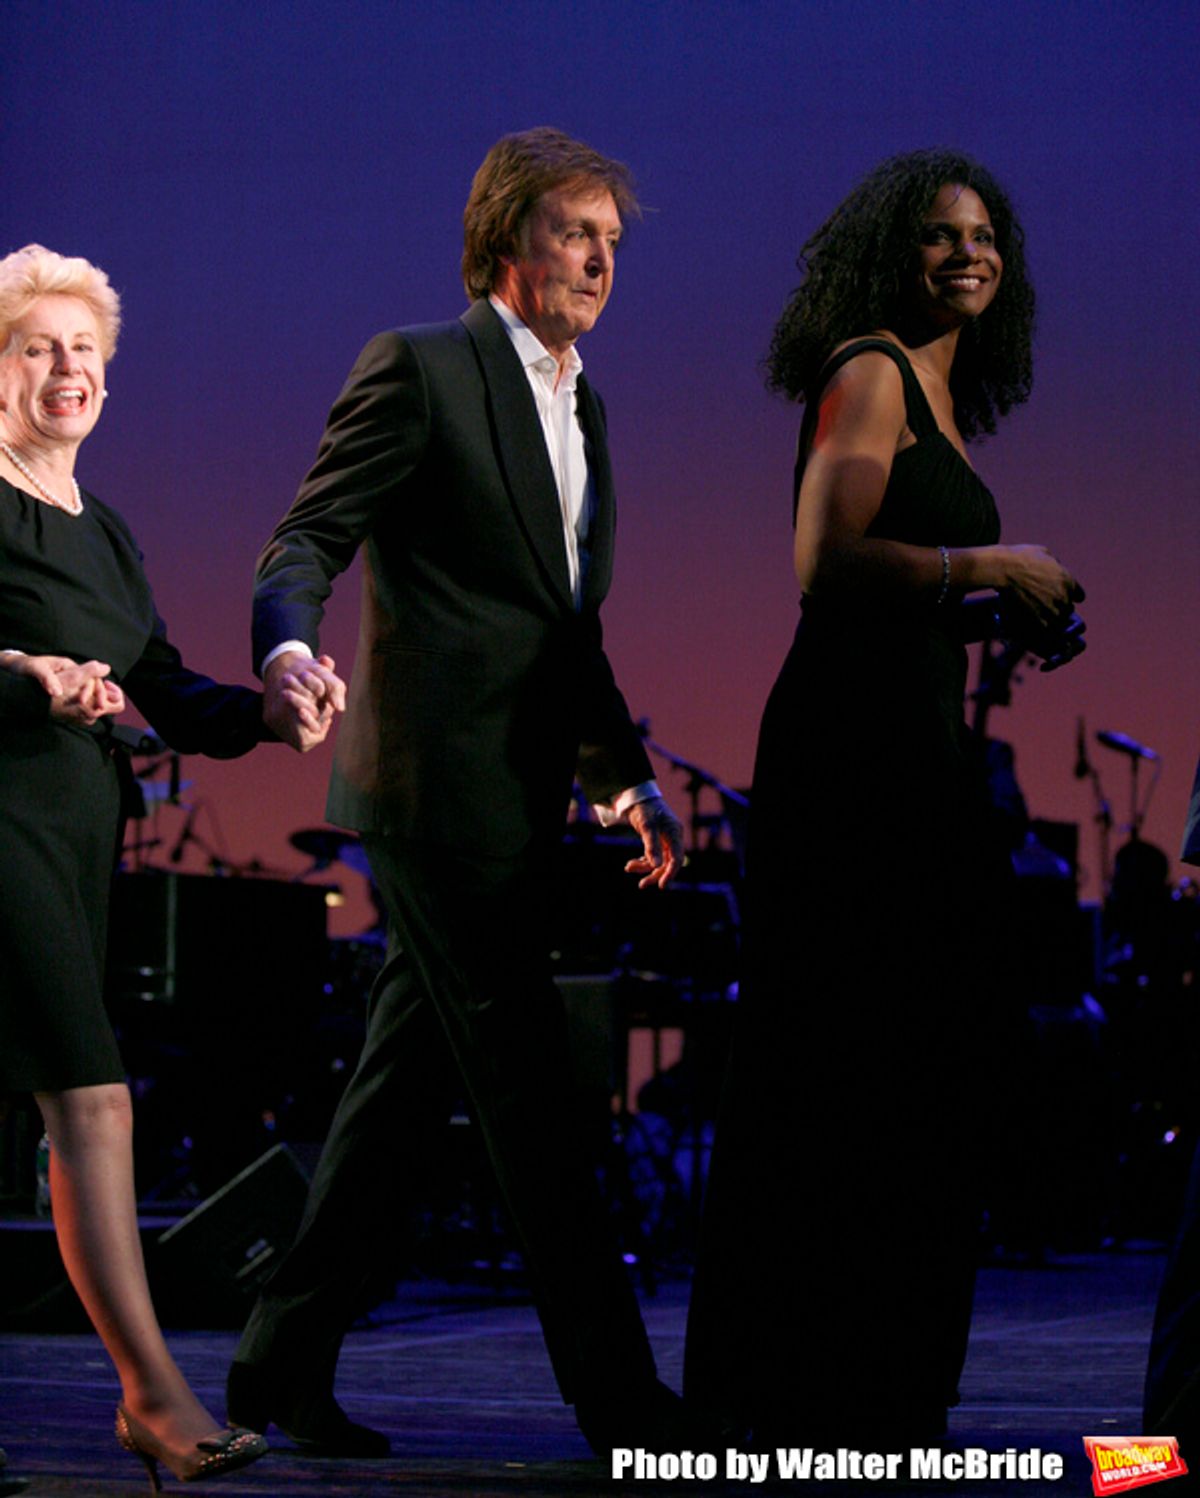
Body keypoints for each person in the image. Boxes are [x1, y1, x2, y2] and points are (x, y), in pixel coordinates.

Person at [226, 127, 693, 1460]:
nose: (602, 258)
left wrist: (622, 782)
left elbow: (567, 624)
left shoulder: (586, 406)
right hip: (430, 798)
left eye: (613, 238)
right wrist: (287, 643)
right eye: (573, 231)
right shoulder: (420, 368)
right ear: (503, 244)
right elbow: (307, 535)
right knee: (539, 1102)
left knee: (392, 1100)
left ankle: (276, 1363)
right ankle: (622, 1402)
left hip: (523, 798)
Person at [683, 149, 1086, 1446]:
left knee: (906, 1069)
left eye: (983, 235)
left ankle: (881, 1385)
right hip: (850, 761)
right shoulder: (871, 369)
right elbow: (827, 562)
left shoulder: (945, 397)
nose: (966, 253)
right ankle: (804, 1391)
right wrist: (990, 559)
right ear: (888, 253)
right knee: (847, 1063)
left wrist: (997, 613)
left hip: (903, 747)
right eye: (936, 234)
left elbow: (901, 598)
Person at [0, 244, 334, 1484]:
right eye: (38, 346)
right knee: (91, 1096)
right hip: (0, 820)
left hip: (75, 829)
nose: (67, 368)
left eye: (85, 349)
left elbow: (167, 685)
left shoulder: (109, 530)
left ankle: (149, 1395)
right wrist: (21, 678)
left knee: (54, 1100)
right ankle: (154, 1393)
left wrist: (270, 702)